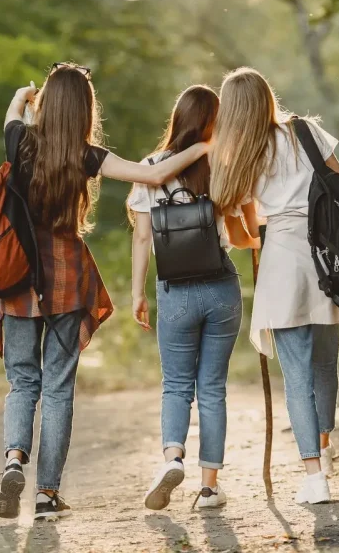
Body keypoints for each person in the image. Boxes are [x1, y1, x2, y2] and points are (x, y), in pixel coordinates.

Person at [0, 63, 211, 521]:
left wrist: (28, 93)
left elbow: (13, 108)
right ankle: (47, 495)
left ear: (47, 103)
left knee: (23, 381)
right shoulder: (87, 155)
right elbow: (152, 176)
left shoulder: (19, 140)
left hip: (18, 277)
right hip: (67, 277)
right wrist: (203, 146)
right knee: (58, 387)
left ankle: (13, 460)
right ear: (86, 110)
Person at [209, 67, 339, 504]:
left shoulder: (243, 156)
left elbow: (241, 228)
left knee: (296, 374)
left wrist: (259, 228)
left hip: (283, 263)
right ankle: (324, 447)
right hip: (327, 258)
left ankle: (314, 477)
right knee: (325, 365)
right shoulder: (307, 132)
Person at [128, 85, 257, 510]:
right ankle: (208, 488)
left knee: (177, 385)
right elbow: (240, 232)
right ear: (213, 123)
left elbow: (142, 237)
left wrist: (138, 293)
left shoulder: (150, 168)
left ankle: (172, 457)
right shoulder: (222, 164)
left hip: (176, 291)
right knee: (213, 388)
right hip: (221, 287)